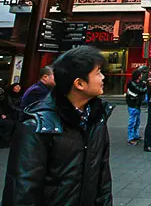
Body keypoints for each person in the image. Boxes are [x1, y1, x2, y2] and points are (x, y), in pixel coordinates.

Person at [3, 46, 113, 205]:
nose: (103, 78)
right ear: (79, 83)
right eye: (98, 73)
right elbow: (22, 188)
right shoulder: (37, 125)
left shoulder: (97, 119)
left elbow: (102, 178)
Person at [126, 69, 147, 146]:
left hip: (137, 105)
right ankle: (130, 138)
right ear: (138, 76)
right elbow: (141, 90)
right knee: (132, 122)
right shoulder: (131, 84)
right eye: (141, 74)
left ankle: (135, 135)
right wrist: (145, 87)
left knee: (137, 121)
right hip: (133, 104)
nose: (142, 76)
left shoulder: (139, 83)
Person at [0, 83, 22, 147]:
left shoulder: (20, 96)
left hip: (16, 114)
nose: (18, 88)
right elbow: (10, 105)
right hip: (7, 114)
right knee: (10, 125)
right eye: (17, 87)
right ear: (13, 88)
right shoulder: (7, 95)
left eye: (19, 87)